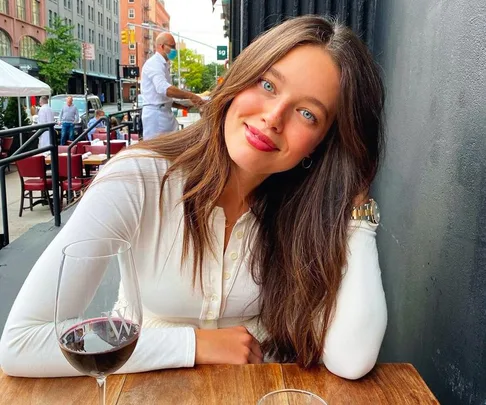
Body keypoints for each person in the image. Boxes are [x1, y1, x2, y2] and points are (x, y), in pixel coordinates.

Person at [0, 16, 387, 379]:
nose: (273, 117)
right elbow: (21, 343)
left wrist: (358, 209)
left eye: (307, 114)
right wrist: (194, 344)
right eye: (267, 85)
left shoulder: (307, 211)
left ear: (321, 146)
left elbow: (351, 360)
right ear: (238, 81)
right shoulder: (140, 178)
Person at [140, 32, 205, 140]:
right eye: (172, 46)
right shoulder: (154, 64)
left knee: (173, 146)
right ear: (161, 46)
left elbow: (162, 97)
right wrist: (191, 96)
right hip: (156, 117)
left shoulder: (163, 65)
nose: (175, 50)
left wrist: (180, 106)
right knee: (158, 151)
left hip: (164, 114)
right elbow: (163, 89)